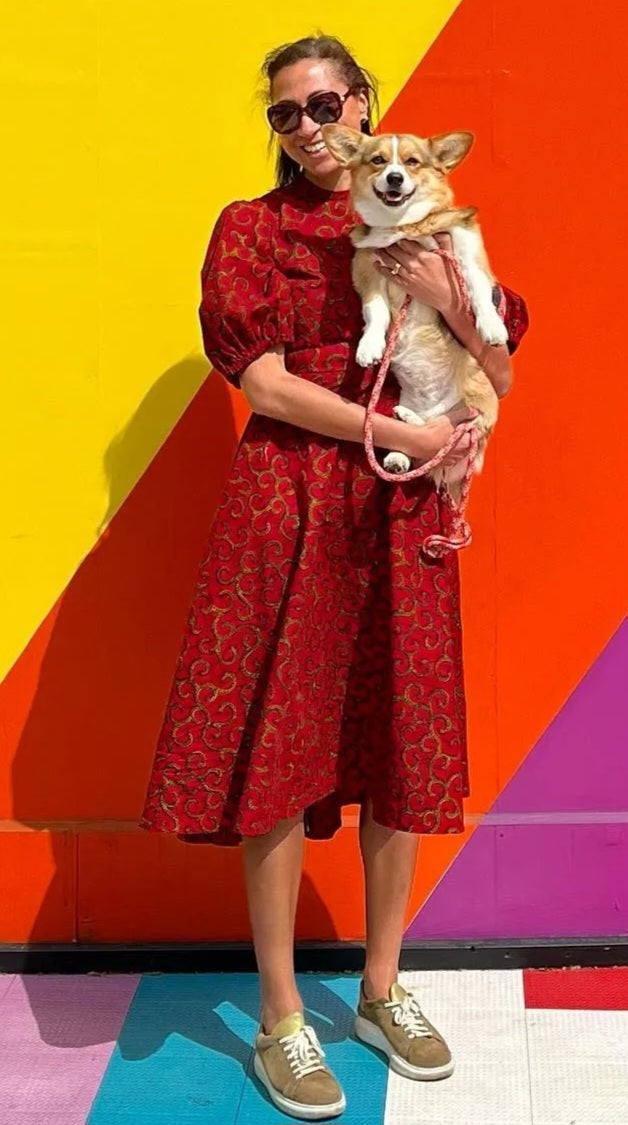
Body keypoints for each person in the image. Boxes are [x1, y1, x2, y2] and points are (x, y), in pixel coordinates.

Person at [140, 33, 528, 1121]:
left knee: (399, 736)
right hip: (289, 503)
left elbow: (496, 360)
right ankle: (279, 1018)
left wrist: (446, 304)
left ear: (364, 104)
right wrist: (391, 424)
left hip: (401, 507)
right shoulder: (249, 232)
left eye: (323, 106)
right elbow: (260, 381)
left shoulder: (431, 220)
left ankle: (380, 989)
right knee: (278, 744)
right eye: (287, 116)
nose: (309, 129)